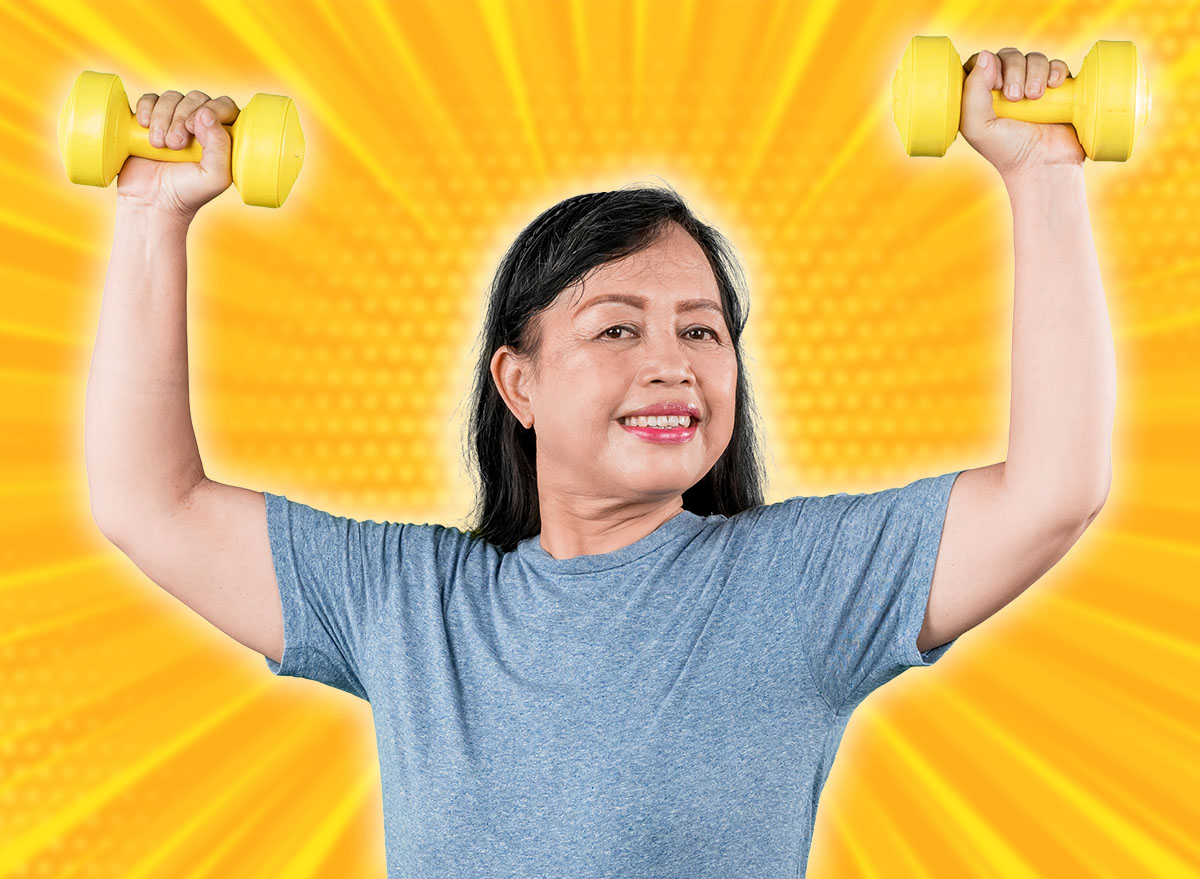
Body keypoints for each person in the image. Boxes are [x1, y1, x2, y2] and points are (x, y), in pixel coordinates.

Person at [86, 47, 1113, 878]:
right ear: (518, 383)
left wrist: (1041, 173)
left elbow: (1050, 493)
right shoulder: (413, 605)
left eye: (704, 334)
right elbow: (152, 502)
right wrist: (151, 213)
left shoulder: (797, 586)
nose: (673, 365)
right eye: (617, 331)